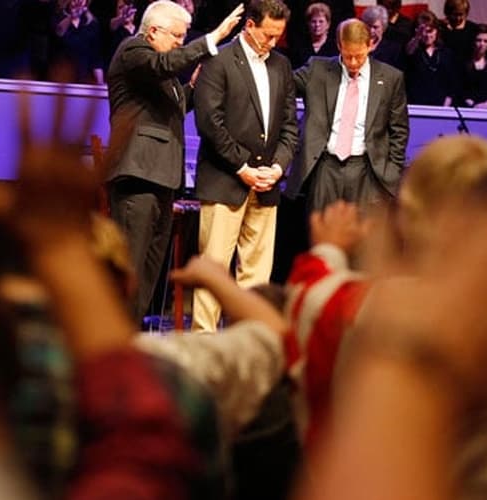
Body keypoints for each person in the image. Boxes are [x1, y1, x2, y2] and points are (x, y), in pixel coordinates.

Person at [105, 0, 244, 325]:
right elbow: (164, 64)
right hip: (137, 175)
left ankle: (129, 336)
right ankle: (112, 338)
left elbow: (174, 109)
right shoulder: (133, 51)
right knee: (130, 270)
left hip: (163, 179)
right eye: (177, 36)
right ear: (153, 31)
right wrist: (213, 38)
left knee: (149, 274)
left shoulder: (160, 74)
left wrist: (193, 87)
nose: (181, 42)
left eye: (185, 37)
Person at [190, 0, 298, 332]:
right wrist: (242, 167)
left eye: (279, 36)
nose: (274, 42)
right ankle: (204, 346)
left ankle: (246, 341)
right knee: (214, 271)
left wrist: (278, 168)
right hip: (226, 180)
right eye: (268, 35)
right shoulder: (219, 61)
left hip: (266, 185)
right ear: (249, 25)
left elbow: (290, 126)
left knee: (256, 274)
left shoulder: (282, 65)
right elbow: (209, 123)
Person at [287, 18, 409, 211]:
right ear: (338, 45)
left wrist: (391, 172)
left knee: (364, 239)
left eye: (359, 56)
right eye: (347, 55)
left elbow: (399, 130)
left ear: (370, 45)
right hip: (325, 169)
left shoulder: (391, 78)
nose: (353, 63)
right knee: (322, 236)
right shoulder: (317, 70)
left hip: (368, 171)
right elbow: (281, 83)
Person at [405, 10, 458, 106]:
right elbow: (409, 51)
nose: (427, 35)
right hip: (417, 105)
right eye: (423, 32)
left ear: (437, 31)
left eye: (430, 31)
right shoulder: (414, 51)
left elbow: (452, 82)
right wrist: (417, 37)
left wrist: (447, 104)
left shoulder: (445, 53)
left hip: (442, 106)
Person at [460, 24, 487, 109]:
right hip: (467, 109)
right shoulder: (463, 63)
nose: (482, 44)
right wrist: (472, 105)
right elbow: (459, 89)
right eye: (479, 40)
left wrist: (486, 104)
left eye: (485, 41)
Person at [361, 4, 403, 69]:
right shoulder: (356, 46)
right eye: (368, 26)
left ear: (383, 27)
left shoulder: (393, 50)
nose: (371, 30)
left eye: (375, 27)